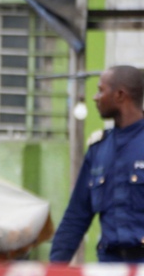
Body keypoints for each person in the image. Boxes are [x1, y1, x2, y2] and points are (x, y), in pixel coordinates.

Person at [50, 65, 144, 263]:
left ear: (120, 95)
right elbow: (76, 216)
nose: (95, 97)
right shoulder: (99, 149)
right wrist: (54, 270)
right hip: (110, 268)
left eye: (101, 90)